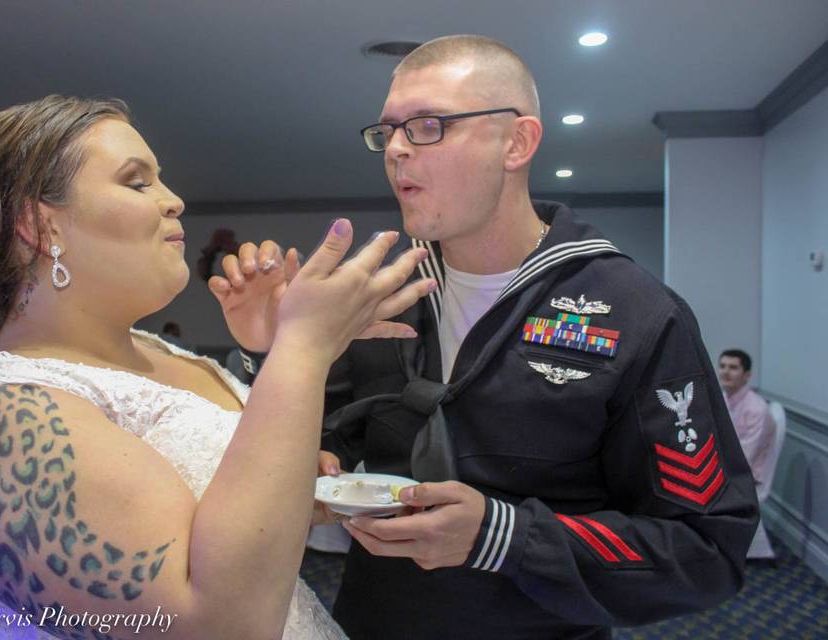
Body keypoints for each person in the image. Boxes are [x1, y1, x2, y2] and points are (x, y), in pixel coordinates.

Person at [212, 35, 759, 639]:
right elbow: (310, 445)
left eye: (426, 126)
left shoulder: (637, 312)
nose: (395, 150)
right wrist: (271, 350)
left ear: (517, 142)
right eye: (387, 131)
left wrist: (501, 537)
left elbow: (707, 550)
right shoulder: (372, 292)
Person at [0, 95, 433, 639]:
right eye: (138, 181)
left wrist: (295, 480)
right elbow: (218, 628)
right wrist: (303, 348)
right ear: (39, 226)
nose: (175, 201)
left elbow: (219, 521)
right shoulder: (1, 420)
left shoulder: (163, 353)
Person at [718, 349, 777, 491]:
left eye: (733, 367)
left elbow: (744, 458)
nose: (725, 372)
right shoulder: (723, 399)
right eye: (722, 366)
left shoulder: (757, 409)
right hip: (726, 470)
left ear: (747, 375)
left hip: (745, 479)